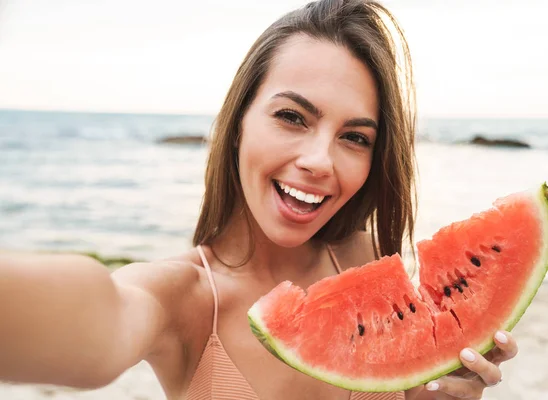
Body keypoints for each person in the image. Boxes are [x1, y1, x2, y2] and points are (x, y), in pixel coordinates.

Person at [0, 1, 518, 399]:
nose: (320, 160)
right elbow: (104, 315)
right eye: (293, 117)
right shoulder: (182, 297)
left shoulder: (362, 258)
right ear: (238, 122)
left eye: (355, 137)